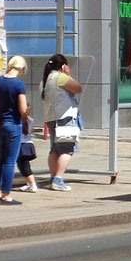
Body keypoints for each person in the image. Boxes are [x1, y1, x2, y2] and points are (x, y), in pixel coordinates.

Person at [0, 55, 29, 205]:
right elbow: (23, 109)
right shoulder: (19, 85)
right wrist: (26, 118)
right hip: (14, 125)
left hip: (1, 125)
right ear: (22, 68)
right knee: (10, 161)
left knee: (1, 161)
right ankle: (6, 194)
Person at [42, 54, 82, 191]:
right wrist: (69, 74)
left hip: (51, 118)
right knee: (66, 149)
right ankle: (58, 179)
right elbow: (78, 88)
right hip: (65, 116)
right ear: (63, 65)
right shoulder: (61, 77)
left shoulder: (45, 80)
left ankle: (53, 177)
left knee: (55, 149)